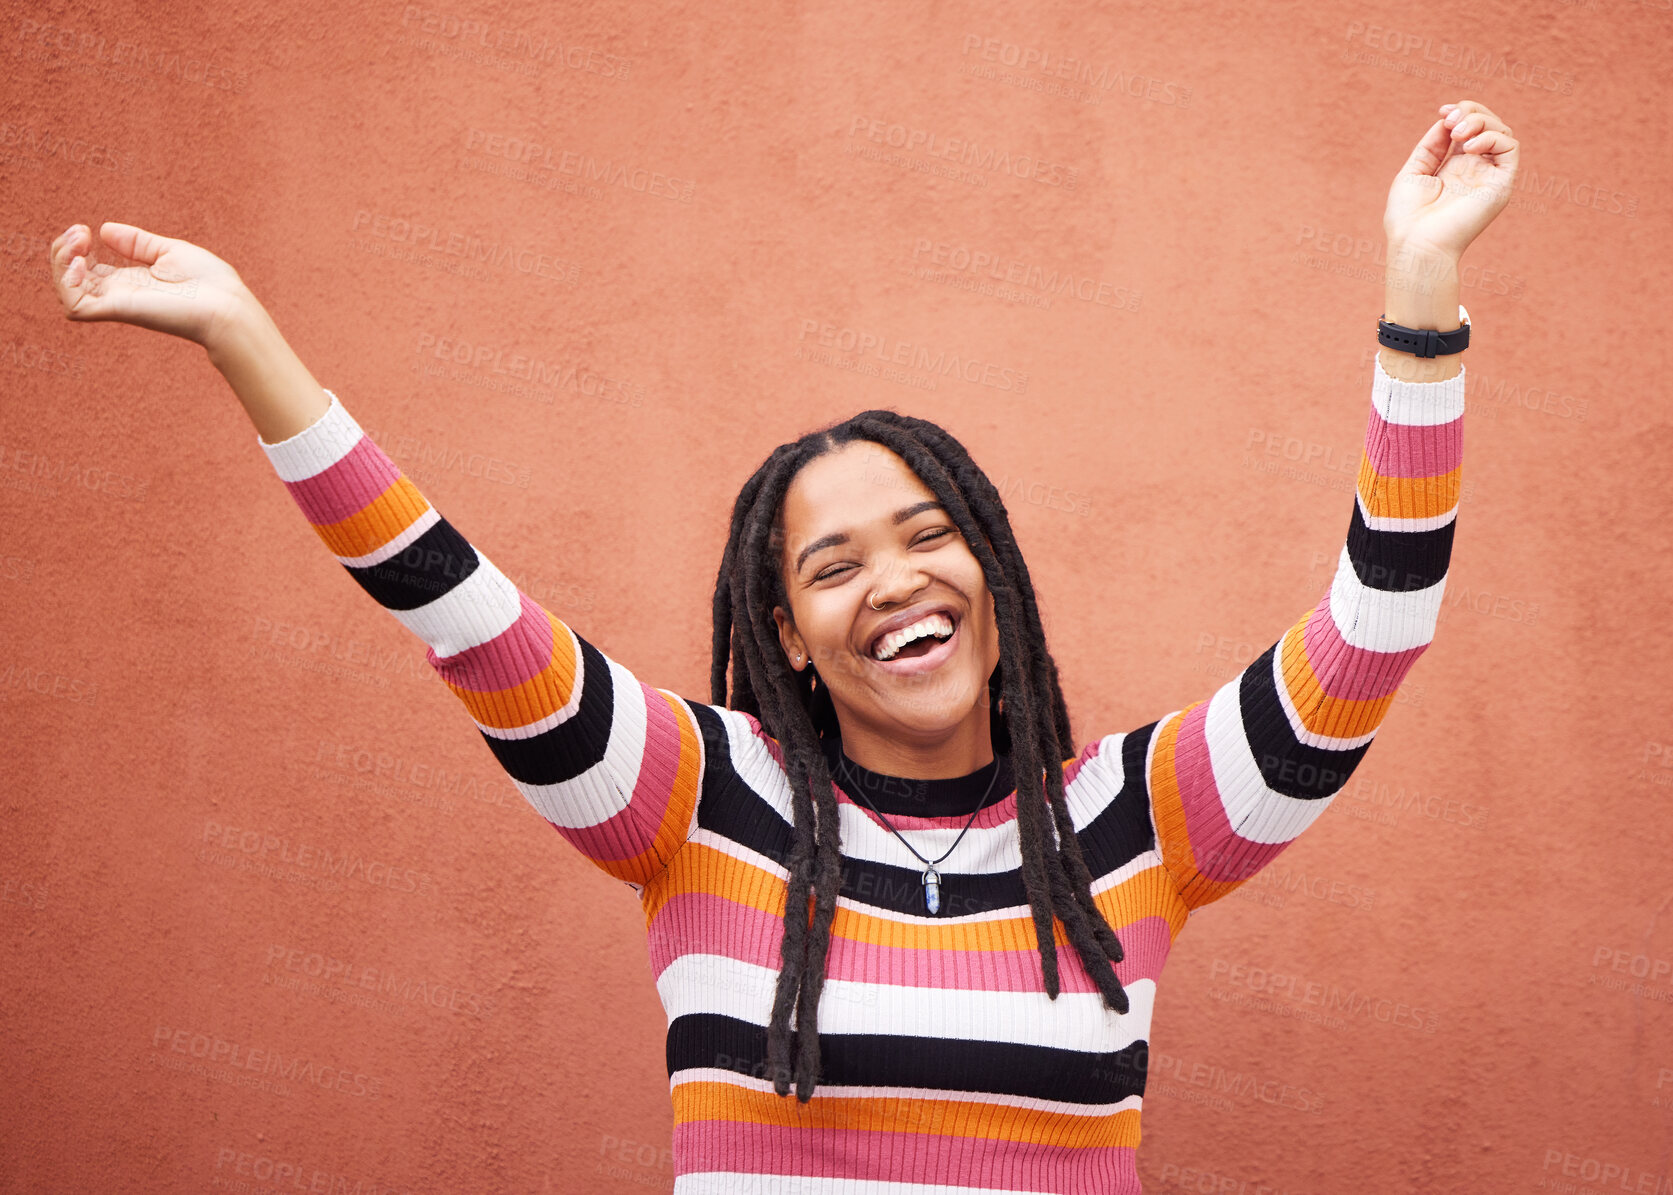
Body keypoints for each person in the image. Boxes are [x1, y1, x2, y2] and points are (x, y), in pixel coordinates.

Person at [49, 99, 1517, 1194]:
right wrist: (244, 336)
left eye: (929, 533)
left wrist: (1417, 285)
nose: (893, 581)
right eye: (832, 567)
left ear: (993, 576)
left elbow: (1375, 627)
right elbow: (449, 598)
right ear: (791, 638)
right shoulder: (693, 797)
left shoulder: (1135, 819)